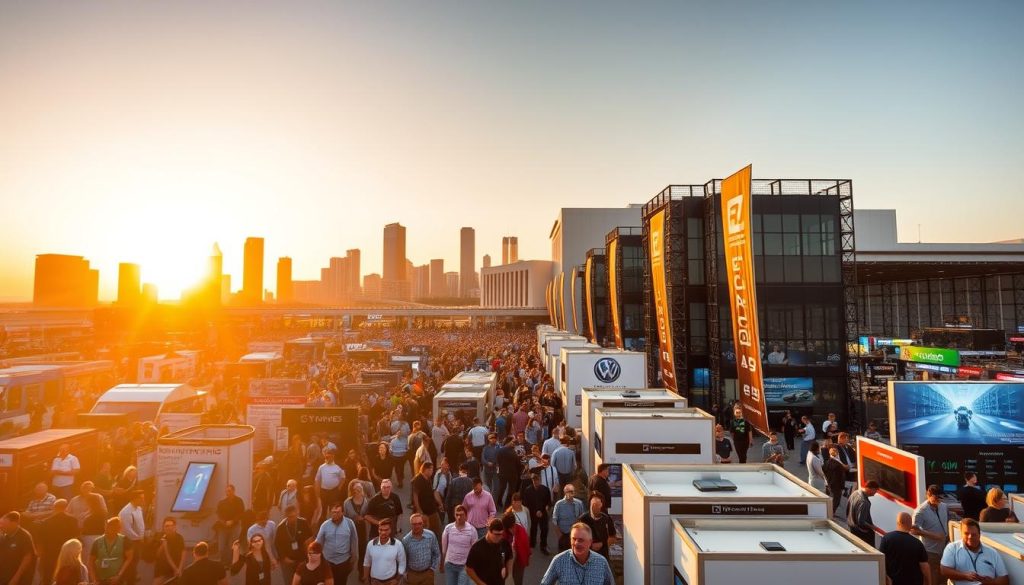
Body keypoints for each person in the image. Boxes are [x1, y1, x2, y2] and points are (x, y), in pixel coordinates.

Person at [539, 522, 615, 585]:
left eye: (581, 540)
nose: (576, 543)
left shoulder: (601, 562)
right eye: (574, 539)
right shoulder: (559, 561)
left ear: (590, 542)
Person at [940, 518, 1008, 585]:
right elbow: (944, 570)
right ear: (961, 533)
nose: (970, 537)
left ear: (979, 535)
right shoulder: (952, 548)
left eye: (973, 534)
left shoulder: (992, 552)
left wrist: (991, 582)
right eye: (966, 533)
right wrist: (964, 576)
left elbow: (1004, 579)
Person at [912, 484, 951, 585]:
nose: (939, 501)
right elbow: (914, 530)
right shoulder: (920, 511)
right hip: (930, 551)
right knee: (932, 579)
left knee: (943, 578)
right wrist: (934, 535)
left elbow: (948, 520)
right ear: (928, 496)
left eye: (940, 498)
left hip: (944, 549)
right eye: (936, 498)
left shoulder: (943, 506)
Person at [877, 512, 929, 585]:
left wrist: (885, 578)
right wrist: (929, 582)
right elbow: (924, 567)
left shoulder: (887, 539)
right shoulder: (918, 543)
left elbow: (881, 560)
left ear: (898, 522)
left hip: (893, 582)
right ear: (911, 525)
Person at [316, 502, 359, 585]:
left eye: (337, 512)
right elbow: (318, 543)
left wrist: (353, 560)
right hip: (328, 561)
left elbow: (354, 542)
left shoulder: (349, 524)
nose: (335, 514)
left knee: (341, 582)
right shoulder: (325, 525)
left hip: (343, 562)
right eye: (333, 512)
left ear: (343, 513)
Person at [39, 498, 80, 583]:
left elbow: (42, 540)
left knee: (48, 576)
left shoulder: (46, 522)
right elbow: (76, 538)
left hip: (50, 554)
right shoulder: (73, 520)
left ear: (54, 507)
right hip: (67, 554)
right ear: (66, 507)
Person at [465, 518, 513, 585]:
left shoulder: (504, 543)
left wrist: (509, 573)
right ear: (489, 531)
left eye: (501, 534)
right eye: (496, 534)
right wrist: (480, 583)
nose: (499, 537)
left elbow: (509, 557)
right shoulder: (477, 547)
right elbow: (469, 569)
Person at [275, 505, 314, 585]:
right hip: (288, 561)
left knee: (303, 580)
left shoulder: (303, 523)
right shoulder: (281, 528)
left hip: (302, 559)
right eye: (289, 517)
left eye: (293, 516)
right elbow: (278, 544)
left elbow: (310, 539)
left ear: (297, 514)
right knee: (290, 581)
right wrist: (284, 558)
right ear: (285, 516)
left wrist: (308, 556)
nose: (291, 518)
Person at [362, 518, 406, 585]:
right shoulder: (371, 544)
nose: (383, 532)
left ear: (390, 530)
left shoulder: (398, 544)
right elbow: (367, 562)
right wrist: (366, 579)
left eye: (386, 530)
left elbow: (402, 563)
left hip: (390, 581)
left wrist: (397, 579)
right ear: (378, 530)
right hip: (374, 582)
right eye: (381, 530)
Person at [440, 505, 476, 585]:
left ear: (466, 516)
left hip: (464, 566)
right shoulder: (448, 528)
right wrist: (442, 563)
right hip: (450, 565)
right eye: (457, 515)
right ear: (454, 515)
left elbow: (474, 551)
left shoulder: (472, 530)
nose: (459, 517)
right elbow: (444, 548)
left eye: (461, 515)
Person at [89, 517, 130, 585]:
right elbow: (90, 562)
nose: (108, 529)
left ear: (118, 529)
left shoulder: (124, 540)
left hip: (117, 580)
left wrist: (119, 575)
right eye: (107, 526)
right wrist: (94, 580)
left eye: (113, 527)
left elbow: (129, 558)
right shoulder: (97, 541)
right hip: (100, 580)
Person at [401, 513, 441, 585]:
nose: (417, 526)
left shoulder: (431, 535)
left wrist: (432, 569)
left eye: (419, 523)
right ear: (411, 524)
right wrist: (406, 573)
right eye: (414, 524)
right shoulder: (406, 540)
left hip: (427, 574)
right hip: (412, 575)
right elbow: (403, 559)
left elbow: (436, 553)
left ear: (423, 523)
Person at [0, 511, 36, 585]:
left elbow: (27, 558)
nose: (1, 526)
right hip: (4, 576)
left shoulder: (24, 536)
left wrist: (16, 578)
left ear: (14, 523)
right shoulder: (4, 535)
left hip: (19, 579)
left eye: (3, 524)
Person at [215, 484, 246, 567]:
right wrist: (224, 522)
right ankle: (222, 562)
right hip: (223, 527)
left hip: (234, 526)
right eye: (226, 491)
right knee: (221, 546)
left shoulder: (239, 501)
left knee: (230, 546)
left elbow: (241, 513)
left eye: (229, 491)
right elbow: (218, 513)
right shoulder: (222, 502)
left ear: (233, 491)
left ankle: (228, 564)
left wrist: (233, 521)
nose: (227, 492)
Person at [118, 489, 145, 583]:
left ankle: (131, 579)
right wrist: (138, 538)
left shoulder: (139, 508)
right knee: (130, 563)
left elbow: (140, 524)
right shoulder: (126, 512)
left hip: (138, 540)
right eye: (141, 498)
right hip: (129, 542)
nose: (143, 500)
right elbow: (127, 530)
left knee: (135, 562)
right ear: (135, 499)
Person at [522, 471, 553, 554]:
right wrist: (535, 511)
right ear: (532, 481)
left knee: (544, 529)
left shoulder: (545, 490)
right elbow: (525, 503)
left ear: (540, 480)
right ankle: (532, 544)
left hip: (543, 513)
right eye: (534, 480)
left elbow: (549, 502)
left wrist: (547, 507)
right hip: (533, 514)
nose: (536, 482)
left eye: (538, 480)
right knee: (533, 529)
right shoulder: (528, 490)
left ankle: (543, 546)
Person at [578, 494, 616, 559]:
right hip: (587, 555)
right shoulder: (583, 519)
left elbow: (613, 537)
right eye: (593, 505)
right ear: (590, 505)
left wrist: (603, 544)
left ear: (601, 505)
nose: (594, 507)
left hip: (603, 555)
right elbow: (577, 538)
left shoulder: (606, 519)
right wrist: (590, 545)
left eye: (597, 505)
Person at [344, 482, 370, 570]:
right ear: (353, 491)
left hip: (363, 529)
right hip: (351, 528)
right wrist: (354, 519)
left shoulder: (366, 501)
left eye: (359, 489)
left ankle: (361, 570)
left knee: (362, 549)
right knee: (351, 549)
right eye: (355, 490)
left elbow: (368, 514)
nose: (357, 491)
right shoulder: (347, 502)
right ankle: (349, 565)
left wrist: (364, 518)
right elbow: (345, 517)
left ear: (362, 490)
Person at [848, 480, 883, 546]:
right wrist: (873, 527)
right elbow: (861, 521)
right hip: (861, 531)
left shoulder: (855, 493)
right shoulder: (865, 503)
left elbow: (848, 507)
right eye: (875, 491)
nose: (875, 493)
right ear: (871, 489)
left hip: (851, 525)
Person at [411, 461, 443, 537]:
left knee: (436, 531)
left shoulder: (428, 479)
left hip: (432, 509)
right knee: (425, 532)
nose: (432, 472)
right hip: (424, 512)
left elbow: (432, 493)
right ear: (426, 470)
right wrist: (419, 510)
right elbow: (415, 496)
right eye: (431, 470)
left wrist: (439, 503)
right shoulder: (417, 480)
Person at [551, 485, 585, 552]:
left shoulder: (579, 503)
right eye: (568, 492)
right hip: (563, 534)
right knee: (562, 556)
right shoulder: (559, 504)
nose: (570, 493)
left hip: (575, 535)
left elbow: (582, 518)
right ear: (564, 492)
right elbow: (554, 520)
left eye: (572, 491)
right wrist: (559, 535)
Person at [154, 517, 186, 585]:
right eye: (167, 526)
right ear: (163, 527)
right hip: (162, 568)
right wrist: (163, 546)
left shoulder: (179, 538)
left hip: (176, 567)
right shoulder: (159, 536)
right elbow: (157, 554)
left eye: (171, 526)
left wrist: (179, 569)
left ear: (175, 527)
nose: (169, 528)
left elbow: (183, 553)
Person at [502, 511, 530, 585]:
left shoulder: (521, 531)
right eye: (509, 528)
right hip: (505, 561)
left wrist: (525, 559)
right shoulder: (503, 533)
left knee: (518, 580)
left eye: (512, 526)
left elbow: (525, 548)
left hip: (519, 561)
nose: (512, 530)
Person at [316, 449, 346, 515]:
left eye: (329, 457)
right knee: (323, 509)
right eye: (326, 457)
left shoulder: (337, 467)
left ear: (333, 457)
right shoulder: (321, 467)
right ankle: (324, 523)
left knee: (333, 509)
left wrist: (338, 488)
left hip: (334, 491)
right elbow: (317, 480)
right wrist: (318, 491)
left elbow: (343, 478)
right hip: (323, 491)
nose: (327, 458)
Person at [822, 446, 849, 514]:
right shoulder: (839, 465)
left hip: (828, 483)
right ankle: (831, 512)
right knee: (836, 500)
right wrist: (843, 487)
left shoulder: (826, 463)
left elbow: (824, 473)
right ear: (837, 454)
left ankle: (828, 510)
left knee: (830, 498)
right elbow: (842, 477)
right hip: (836, 485)